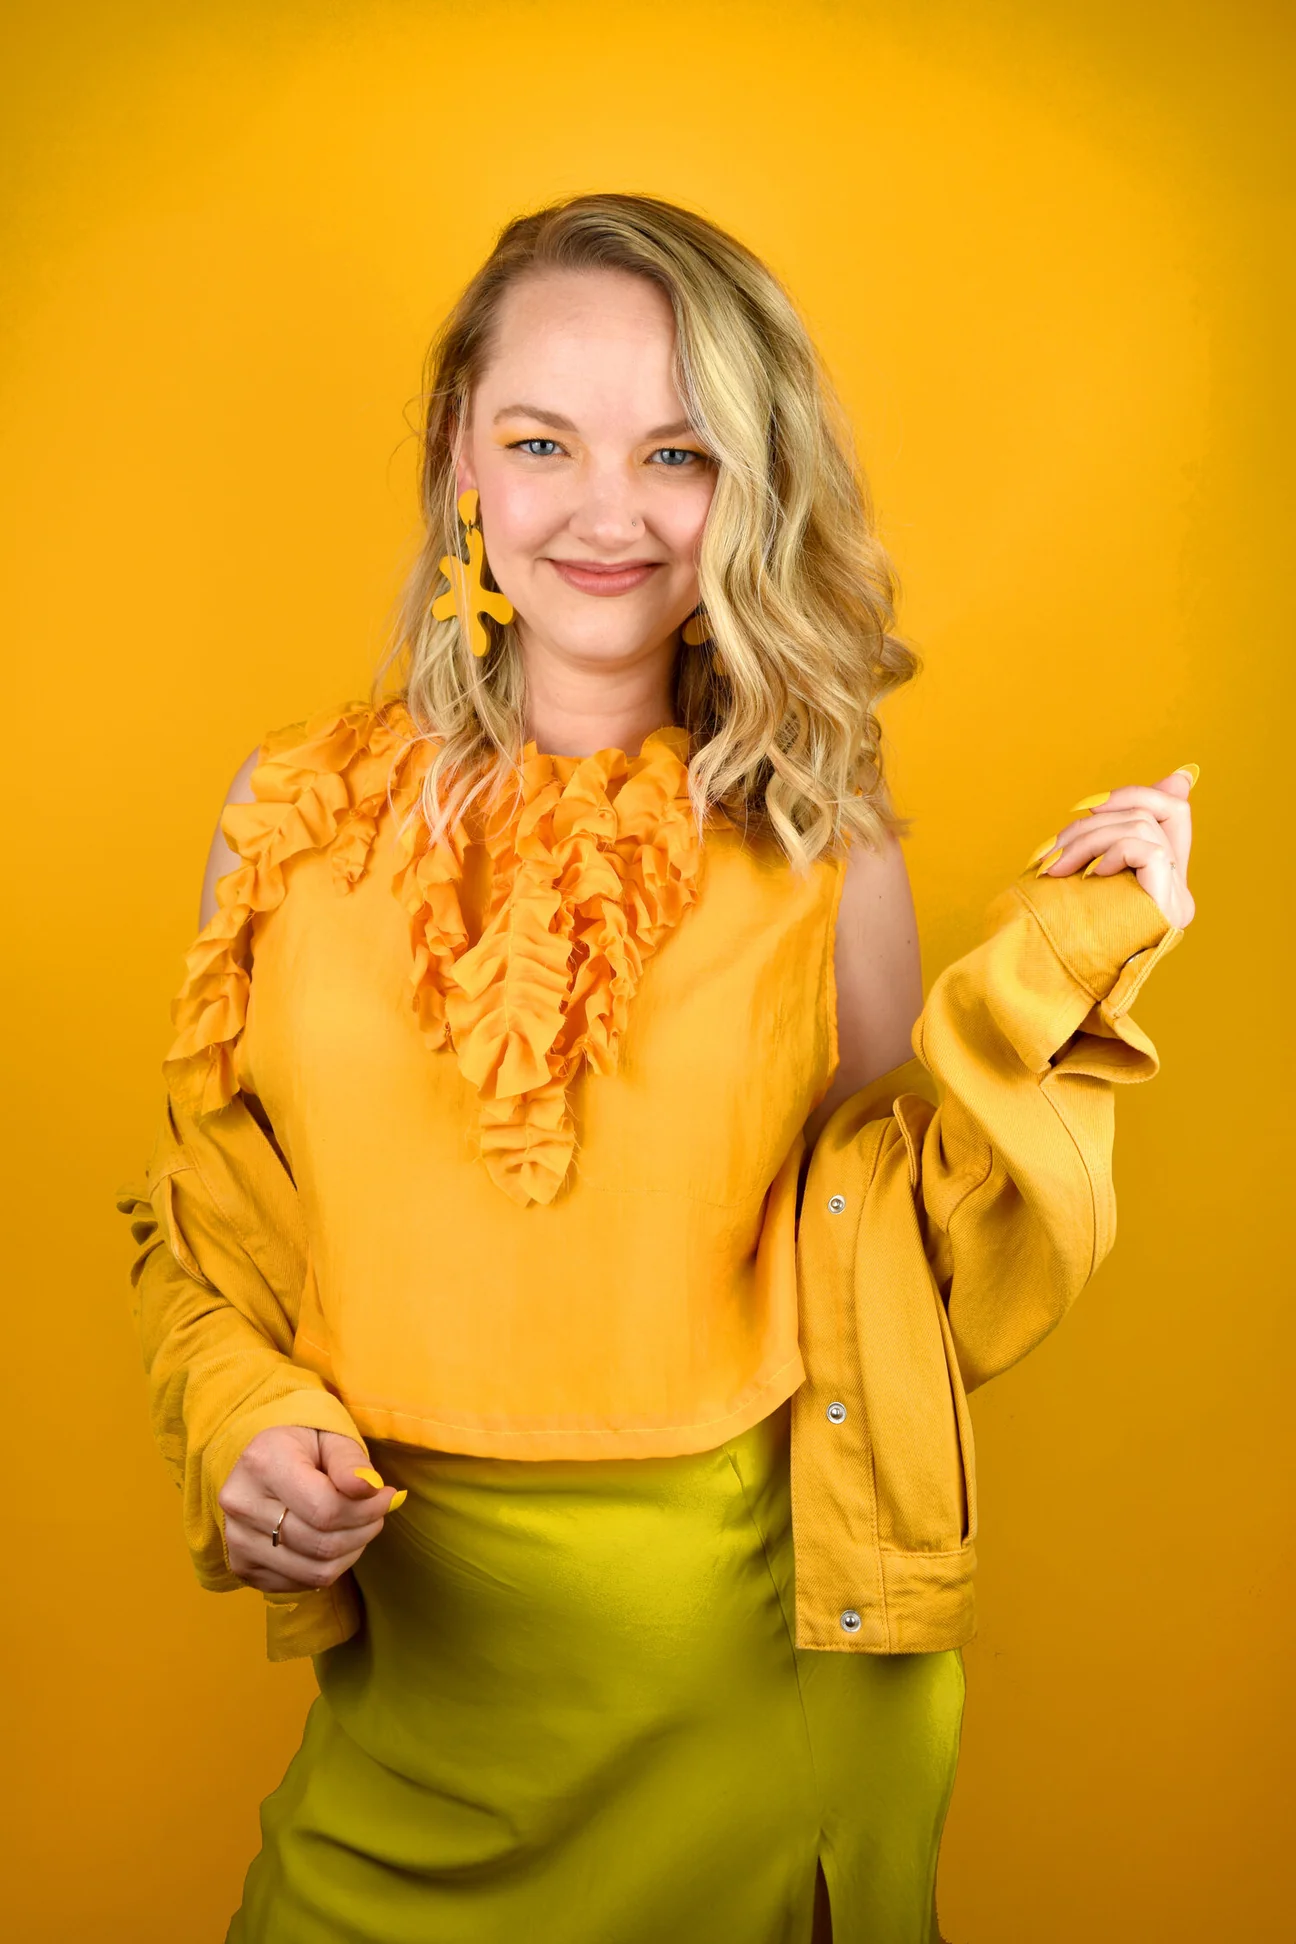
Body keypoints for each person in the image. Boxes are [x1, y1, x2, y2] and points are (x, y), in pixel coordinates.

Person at [121, 193, 1195, 1944]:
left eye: (677, 454)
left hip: (749, 1705)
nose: (607, 512)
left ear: (751, 483)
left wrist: (1075, 966)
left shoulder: (826, 843)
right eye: (542, 440)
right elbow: (206, 1234)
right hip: (413, 1722)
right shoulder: (290, 819)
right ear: (459, 455)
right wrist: (244, 1429)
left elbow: (902, 1274)